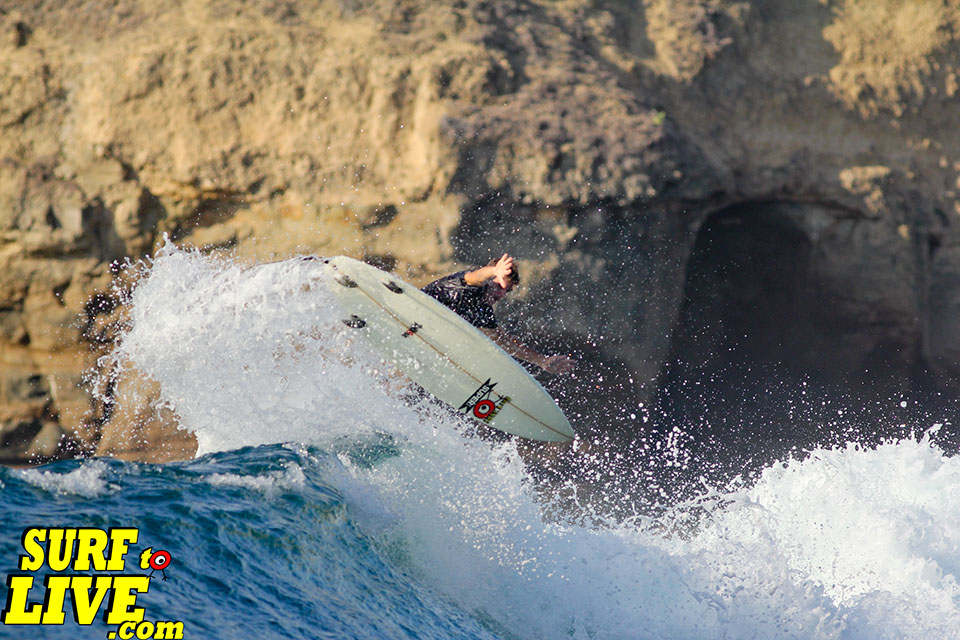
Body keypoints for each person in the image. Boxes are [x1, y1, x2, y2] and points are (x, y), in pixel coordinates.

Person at [422, 253, 575, 375]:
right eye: (500, 286)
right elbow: (476, 276)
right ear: (489, 279)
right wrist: (495, 271)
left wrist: (542, 361)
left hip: (428, 333)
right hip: (419, 309)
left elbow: (503, 341)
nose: (502, 294)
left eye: (507, 290)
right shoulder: (469, 283)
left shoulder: (483, 310)